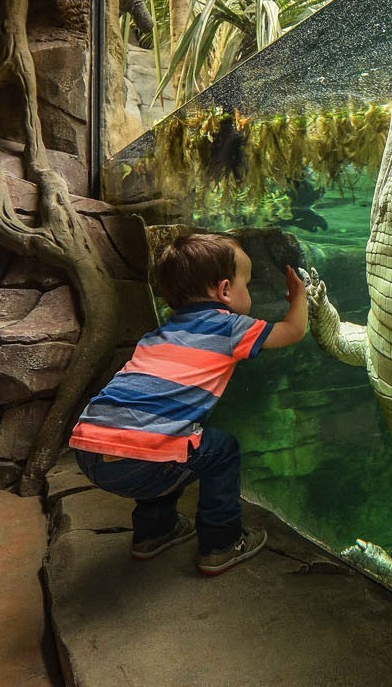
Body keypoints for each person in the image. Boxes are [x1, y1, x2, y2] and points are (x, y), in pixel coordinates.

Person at [68, 232, 308, 575]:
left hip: (88, 449)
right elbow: (293, 330)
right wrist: (299, 297)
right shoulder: (230, 327)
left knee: (168, 439)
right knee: (220, 450)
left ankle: (154, 534)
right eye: (247, 284)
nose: (249, 293)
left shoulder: (158, 335)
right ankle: (222, 544)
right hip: (141, 459)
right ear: (225, 291)